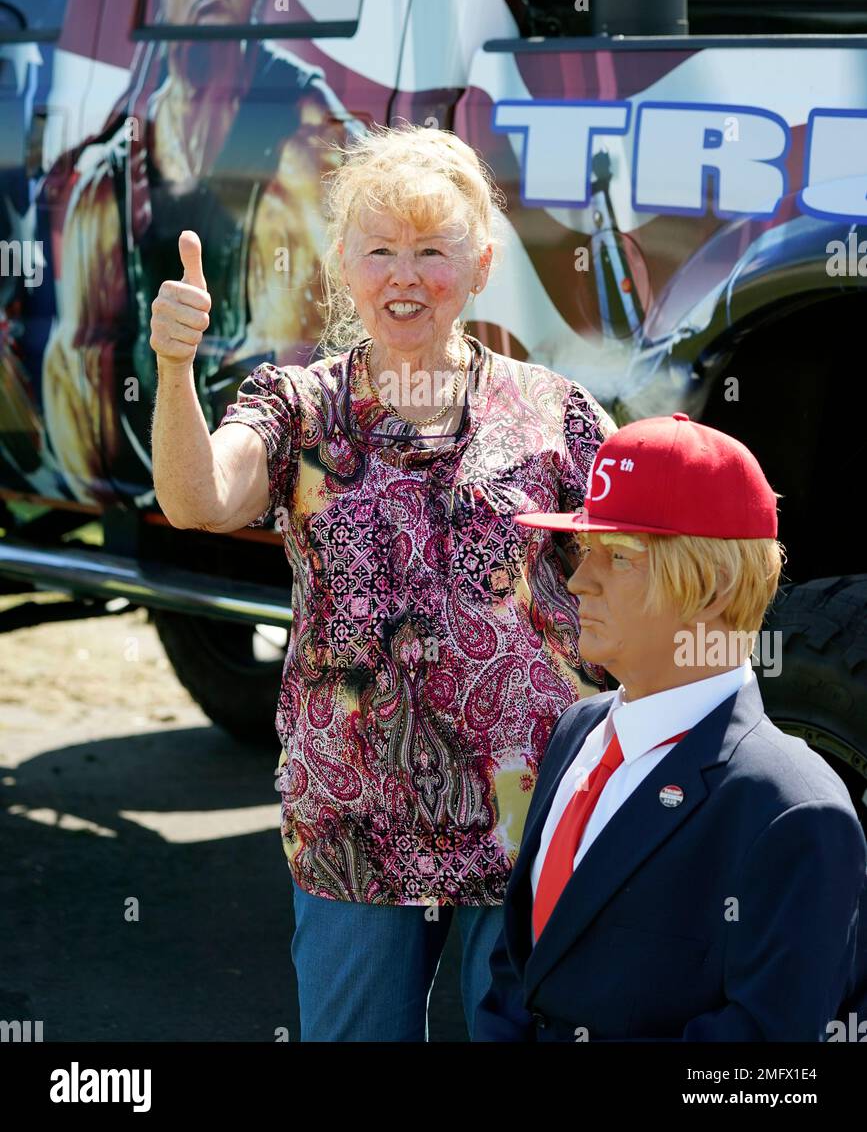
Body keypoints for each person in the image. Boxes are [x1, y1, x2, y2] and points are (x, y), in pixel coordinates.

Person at [149, 123, 616, 1041]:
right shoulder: (297, 406)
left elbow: (638, 562)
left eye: (433, 251)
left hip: (523, 822)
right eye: (381, 251)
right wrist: (173, 371)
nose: (406, 276)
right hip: (352, 823)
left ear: (479, 266)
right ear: (343, 266)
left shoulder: (551, 410)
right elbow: (201, 497)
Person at [474, 413, 867, 1042]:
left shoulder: (794, 811)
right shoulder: (577, 733)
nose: (578, 581)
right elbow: (522, 977)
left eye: (618, 556)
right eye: (582, 550)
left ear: (711, 587)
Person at [41, 0, 360, 506]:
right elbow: (77, 390)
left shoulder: (310, 140)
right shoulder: (107, 182)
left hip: (278, 494)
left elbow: (315, 380)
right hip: (175, 491)